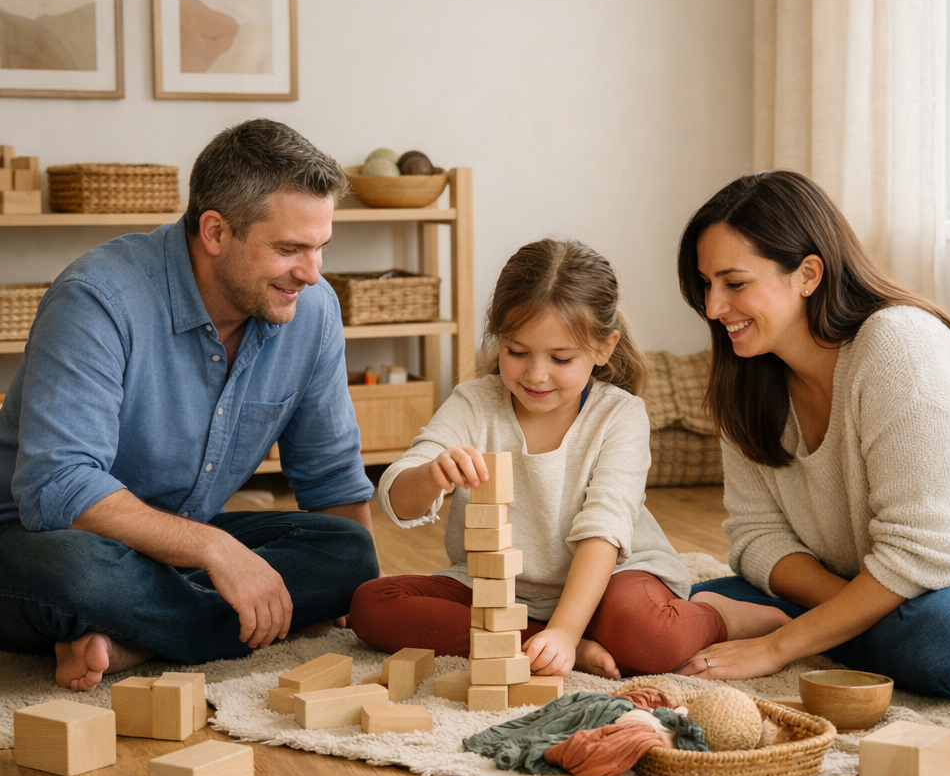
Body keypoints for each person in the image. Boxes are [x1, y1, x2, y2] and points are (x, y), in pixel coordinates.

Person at [0, 119, 379, 691]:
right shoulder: (98, 300)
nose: (311, 274)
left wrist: (358, 594)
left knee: (349, 552)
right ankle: (183, 624)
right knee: (76, 575)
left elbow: (332, 479)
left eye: (321, 247)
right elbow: (58, 486)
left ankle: (138, 638)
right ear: (215, 231)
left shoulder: (313, 309)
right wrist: (216, 551)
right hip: (41, 540)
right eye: (289, 249)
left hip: (178, 543)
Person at [348, 239, 788, 678]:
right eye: (516, 352)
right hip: (499, 590)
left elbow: (604, 532)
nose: (536, 374)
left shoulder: (619, 415)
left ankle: (718, 614)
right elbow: (398, 498)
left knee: (647, 639)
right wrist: (429, 476)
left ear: (603, 348)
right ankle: (549, 644)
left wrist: (563, 629)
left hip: (613, 577)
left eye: (560, 358)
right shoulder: (474, 402)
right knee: (372, 606)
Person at [674, 170, 950, 699]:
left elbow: (925, 554)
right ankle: (856, 629)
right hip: (888, 587)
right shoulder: (745, 374)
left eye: (735, 283)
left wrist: (779, 644)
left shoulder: (898, 345)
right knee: (682, 606)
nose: (713, 307)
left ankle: (840, 630)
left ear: (808, 273)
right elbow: (755, 538)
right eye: (706, 284)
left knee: (940, 644)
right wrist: (848, 607)